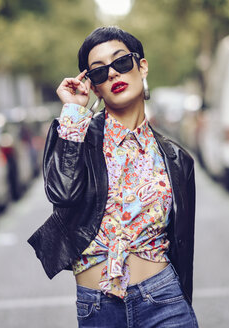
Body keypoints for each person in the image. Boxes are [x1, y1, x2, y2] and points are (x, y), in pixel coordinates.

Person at [28, 26, 198, 327]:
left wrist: (184, 298)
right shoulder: (77, 136)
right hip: (98, 308)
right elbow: (61, 194)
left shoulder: (176, 158)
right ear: (93, 86)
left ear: (141, 66)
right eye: (99, 72)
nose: (113, 75)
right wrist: (72, 111)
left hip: (164, 299)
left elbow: (183, 244)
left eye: (121, 62)